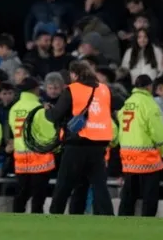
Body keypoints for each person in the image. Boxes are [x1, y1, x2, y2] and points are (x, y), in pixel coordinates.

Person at [44, 60, 114, 215]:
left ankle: (55, 214)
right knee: (99, 186)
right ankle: (107, 216)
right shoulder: (104, 89)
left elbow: (56, 115)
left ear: (74, 74)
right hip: (99, 145)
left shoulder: (72, 89)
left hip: (77, 144)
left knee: (64, 184)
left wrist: (47, 111)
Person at [117, 75, 163, 217]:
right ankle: (148, 223)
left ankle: (123, 222)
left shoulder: (127, 103)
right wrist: (161, 151)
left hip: (128, 155)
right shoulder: (149, 104)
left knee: (128, 194)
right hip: (146, 157)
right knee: (149, 195)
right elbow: (159, 133)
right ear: (149, 87)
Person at [8, 77, 55, 213]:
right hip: (39, 157)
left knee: (21, 193)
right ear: (35, 90)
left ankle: (16, 220)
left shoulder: (14, 108)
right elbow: (48, 133)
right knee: (38, 196)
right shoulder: (38, 108)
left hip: (21, 157)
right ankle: (37, 221)